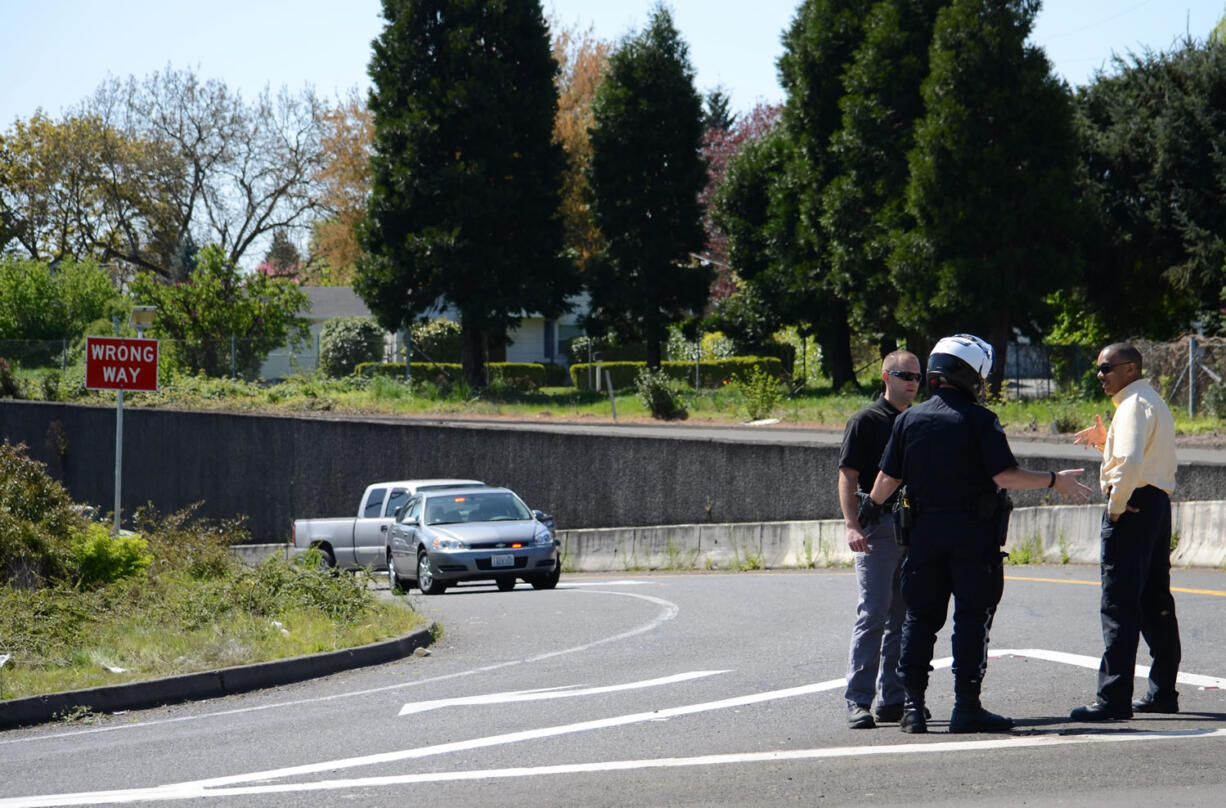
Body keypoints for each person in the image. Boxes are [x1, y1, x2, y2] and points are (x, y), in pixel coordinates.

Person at [862, 334, 1091, 734]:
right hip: (972, 536)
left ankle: (913, 708)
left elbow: (887, 479)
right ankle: (966, 706)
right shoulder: (981, 420)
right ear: (970, 374)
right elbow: (1004, 475)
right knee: (971, 618)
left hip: (923, 536)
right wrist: (1055, 480)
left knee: (919, 618)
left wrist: (869, 506)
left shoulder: (908, 420)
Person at [1069, 342, 1182, 721]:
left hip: (1133, 507)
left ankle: (1114, 698)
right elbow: (1144, 457)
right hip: (1156, 505)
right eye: (1099, 368)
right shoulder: (1150, 401)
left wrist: (1116, 507)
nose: (1100, 375)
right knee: (1154, 600)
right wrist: (1106, 441)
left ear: (1131, 369)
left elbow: (1132, 462)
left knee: (1119, 602)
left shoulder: (1133, 405)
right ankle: (1163, 691)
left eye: (1107, 368)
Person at [838, 350, 922, 729]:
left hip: (913, 527)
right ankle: (858, 700)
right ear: (886, 377)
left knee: (903, 617)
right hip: (878, 527)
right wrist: (852, 525)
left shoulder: (918, 420)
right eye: (905, 375)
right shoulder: (865, 421)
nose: (913, 382)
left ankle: (894, 698)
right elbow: (847, 476)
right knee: (873, 612)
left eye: (918, 376)